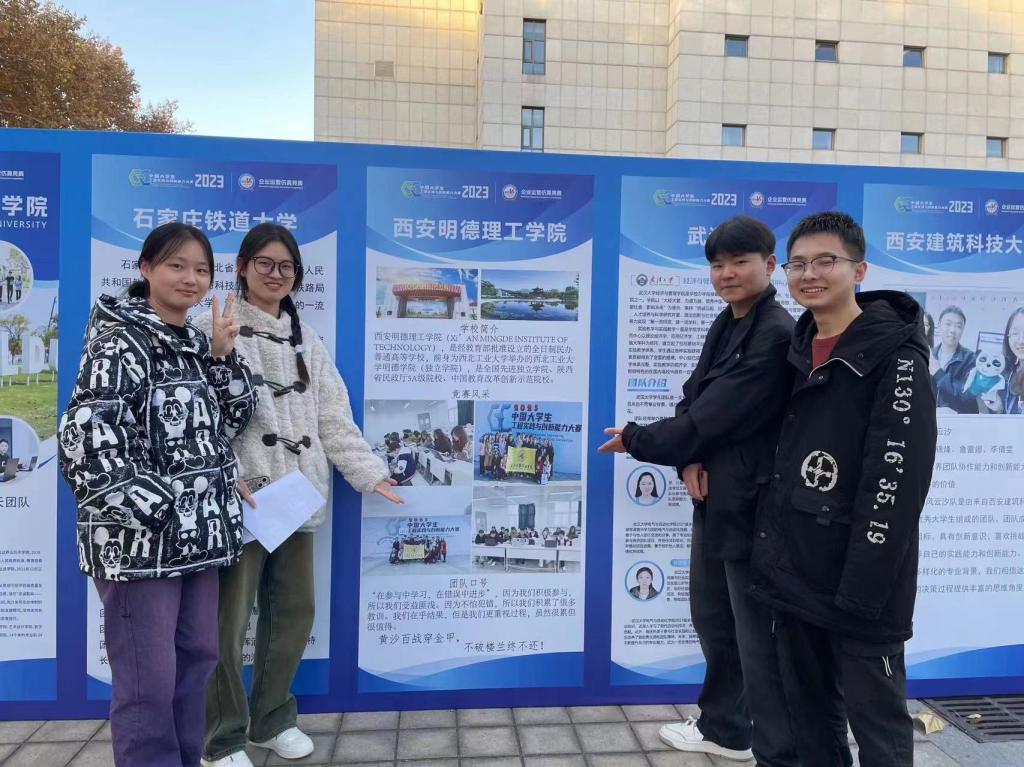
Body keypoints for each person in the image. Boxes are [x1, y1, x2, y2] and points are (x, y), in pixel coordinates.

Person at [199, 224, 403, 767]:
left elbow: (332, 416)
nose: (276, 274)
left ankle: (271, 721)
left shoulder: (306, 338)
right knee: (226, 624)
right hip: (241, 499)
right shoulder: (213, 328)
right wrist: (223, 471)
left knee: (293, 614)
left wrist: (368, 472)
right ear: (242, 267)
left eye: (286, 266)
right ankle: (221, 739)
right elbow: (195, 417)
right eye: (265, 263)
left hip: (295, 498)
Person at [599, 216, 797, 765]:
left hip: (752, 504)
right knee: (714, 615)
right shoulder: (730, 321)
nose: (726, 273)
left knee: (744, 626)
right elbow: (695, 396)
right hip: (717, 492)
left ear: (769, 265)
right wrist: (690, 458)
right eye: (717, 264)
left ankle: (744, 735)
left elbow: (709, 417)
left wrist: (637, 438)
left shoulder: (774, 334)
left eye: (739, 262)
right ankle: (725, 727)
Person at [58, 222, 257, 767]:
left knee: (196, 661)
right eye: (176, 265)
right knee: (150, 680)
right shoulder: (118, 341)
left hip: (199, 540)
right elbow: (87, 440)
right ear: (146, 269)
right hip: (140, 547)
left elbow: (230, 422)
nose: (191, 278)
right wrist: (161, 509)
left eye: (201, 269)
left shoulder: (195, 342)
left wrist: (222, 356)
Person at [749, 212, 937, 767]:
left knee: (878, 728)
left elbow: (897, 485)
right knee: (812, 720)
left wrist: (860, 594)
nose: (810, 274)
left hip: (864, 587)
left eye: (825, 261)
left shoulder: (897, 360)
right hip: (797, 575)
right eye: (798, 264)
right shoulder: (797, 349)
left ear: (859, 270)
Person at [931, 305, 977, 413]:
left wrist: (939, 374)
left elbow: (966, 394)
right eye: (948, 324)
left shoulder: (971, 359)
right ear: (939, 325)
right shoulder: (929, 356)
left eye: (958, 326)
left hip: (957, 419)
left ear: (963, 330)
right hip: (930, 418)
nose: (952, 330)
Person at [1002, 306, 1024, 415]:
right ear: (1008, 337)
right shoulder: (1011, 371)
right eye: (1015, 333)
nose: (1021, 340)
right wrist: (998, 408)